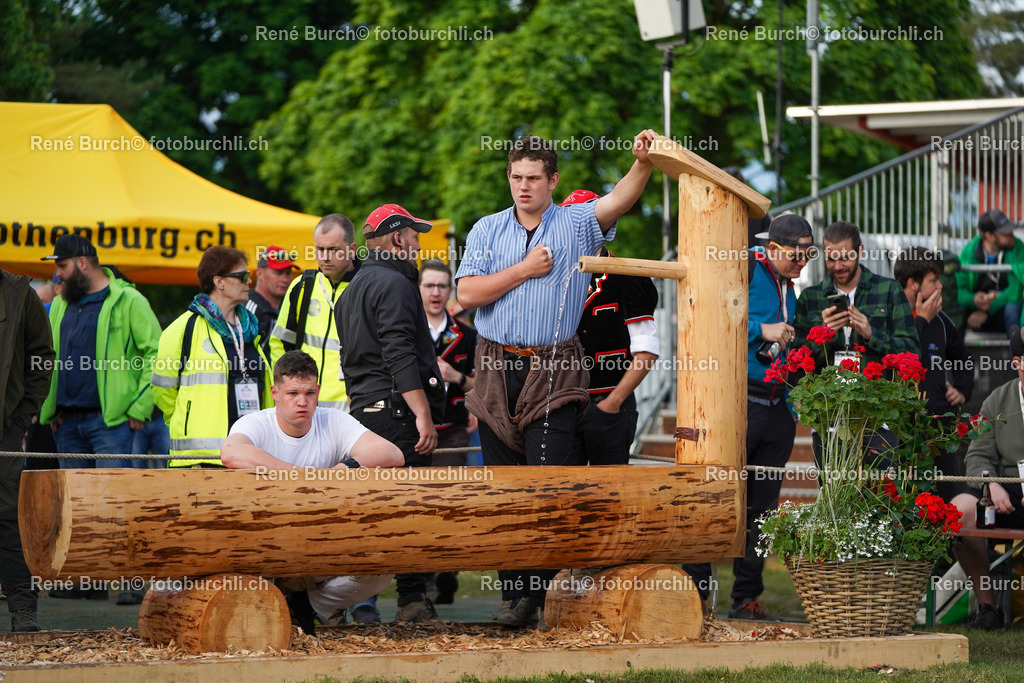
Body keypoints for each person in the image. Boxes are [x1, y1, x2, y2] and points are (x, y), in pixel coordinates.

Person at [455, 130, 658, 628]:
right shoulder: (486, 229)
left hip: (553, 365)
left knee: (548, 483)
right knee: (506, 487)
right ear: (508, 178)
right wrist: (523, 270)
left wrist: (643, 162)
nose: (524, 187)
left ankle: (547, 595)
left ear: (553, 181)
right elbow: (467, 294)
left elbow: (620, 198)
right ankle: (514, 596)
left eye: (533, 178)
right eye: (516, 178)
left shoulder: (574, 224)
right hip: (496, 363)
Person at [682, 214, 815, 620]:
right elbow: (712, 314)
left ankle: (747, 598)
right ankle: (696, 595)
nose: (803, 261)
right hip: (738, 402)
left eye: (810, 254)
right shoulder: (742, 266)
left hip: (777, 407)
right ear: (772, 248)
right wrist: (763, 329)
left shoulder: (789, 284)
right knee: (715, 497)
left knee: (763, 509)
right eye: (797, 253)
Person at [220, 351, 403, 632]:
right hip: (267, 546)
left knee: (378, 571)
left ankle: (305, 607)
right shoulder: (256, 423)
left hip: (322, 543)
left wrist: (343, 468)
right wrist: (297, 475)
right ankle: (268, 605)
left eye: (309, 393)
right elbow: (231, 453)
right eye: (292, 393)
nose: (302, 402)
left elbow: (392, 453)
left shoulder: (333, 420)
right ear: (275, 393)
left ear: (317, 391)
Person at [336, 203, 446, 624]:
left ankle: (334, 601)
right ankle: (413, 602)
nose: (418, 245)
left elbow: (352, 361)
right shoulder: (396, 284)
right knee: (412, 510)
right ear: (398, 239)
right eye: (415, 237)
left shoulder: (349, 291)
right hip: (398, 414)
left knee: (372, 512)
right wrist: (422, 413)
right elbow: (398, 351)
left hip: (363, 413)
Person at [38, 234, 161, 601]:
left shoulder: (129, 300)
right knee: (75, 508)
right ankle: (84, 580)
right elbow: (48, 356)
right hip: (68, 421)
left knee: (118, 504)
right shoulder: (61, 304)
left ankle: (129, 582)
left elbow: (158, 356)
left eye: (61, 266)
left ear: (83, 263)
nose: (56, 275)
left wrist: (139, 408)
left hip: (112, 424)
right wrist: (51, 407)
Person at [794, 221, 919, 470]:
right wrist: (824, 335)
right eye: (831, 259)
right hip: (830, 416)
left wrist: (871, 333)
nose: (838, 266)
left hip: (879, 417)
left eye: (845, 258)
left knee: (878, 498)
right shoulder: (811, 297)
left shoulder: (889, 290)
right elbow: (798, 366)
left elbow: (912, 354)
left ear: (860, 252)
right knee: (833, 497)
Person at [558, 189, 660, 465]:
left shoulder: (628, 276)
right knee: (562, 495)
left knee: (611, 497)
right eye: (569, 221)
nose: (575, 229)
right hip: (561, 408)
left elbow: (646, 352)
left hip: (609, 404)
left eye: (583, 219)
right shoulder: (550, 280)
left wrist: (612, 404)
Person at [152, 245, 273, 468]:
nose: (249, 282)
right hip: (201, 459)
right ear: (219, 282)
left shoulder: (252, 329)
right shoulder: (183, 328)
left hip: (251, 453)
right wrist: (184, 421)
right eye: (243, 276)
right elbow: (163, 390)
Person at [949, 326, 1024, 631]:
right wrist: (991, 483)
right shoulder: (996, 399)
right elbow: (976, 454)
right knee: (958, 512)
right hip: (1003, 493)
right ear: (1017, 362)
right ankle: (988, 607)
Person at [418, 259, 478, 606]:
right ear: (420, 289)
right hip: (415, 431)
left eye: (442, 286)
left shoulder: (466, 335)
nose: (436, 292)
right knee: (419, 504)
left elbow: (479, 386)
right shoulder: (407, 331)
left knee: (449, 502)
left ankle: (447, 572)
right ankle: (421, 584)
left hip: (454, 431)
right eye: (430, 286)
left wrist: (456, 377)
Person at [894, 247, 974, 502]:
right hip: (902, 429)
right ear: (912, 283)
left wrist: (962, 389)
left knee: (946, 502)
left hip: (940, 430)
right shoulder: (893, 316)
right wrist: (921, 322)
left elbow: (963, 357)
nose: (940, 286)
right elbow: (900, 357)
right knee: (908, 502)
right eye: (933, 281)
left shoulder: (941, 320)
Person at [0, 267, 55, 631]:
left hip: (5, 430)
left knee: (8, 518)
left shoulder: (21, 293)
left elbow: (42, 357)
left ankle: (22, 609)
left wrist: (23, 417)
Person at [270, 215, 358, 411]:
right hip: (304, 407)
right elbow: (279, 343)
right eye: (320, 249)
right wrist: (290, 387)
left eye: (333, 250)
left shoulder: (368, 288)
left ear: (351, 250)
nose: (325, 257)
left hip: (353, 408)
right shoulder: (302, 286)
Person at [956, 209, 1024, 336]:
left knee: (1013, 308)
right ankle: (958, 354)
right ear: (989, 236)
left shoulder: (1018, 248)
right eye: (1005, 232)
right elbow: (957, 290)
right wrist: (973, 299)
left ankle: (1016, 353)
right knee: (956, 311)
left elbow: (1016, 290)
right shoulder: (968, 253)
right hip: (976, 311)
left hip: (1003, 310)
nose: (1011, 234)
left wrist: (987, 311)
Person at [245, 245, 299, 355]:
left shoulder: (287, 309)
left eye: (288, 273)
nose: (285, 279)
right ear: (259, 273)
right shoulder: (249, 308)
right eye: (278, 273)